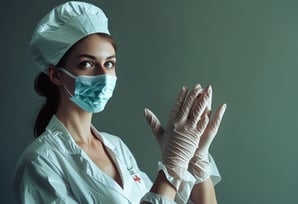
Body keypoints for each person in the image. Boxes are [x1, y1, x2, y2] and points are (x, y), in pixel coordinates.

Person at [13, 1, 227, 204]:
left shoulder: (116, 146)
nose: (103, 75)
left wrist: (195, 159)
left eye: (109, 63)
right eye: (86, 64)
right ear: (55, 75)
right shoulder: (40, 161)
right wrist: (170, 170)